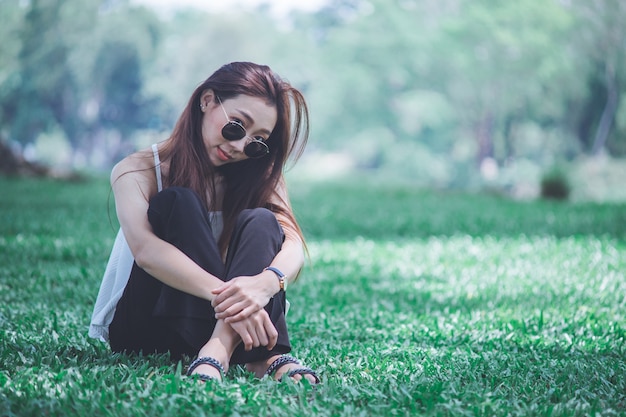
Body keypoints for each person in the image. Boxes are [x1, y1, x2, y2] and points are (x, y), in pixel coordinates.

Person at [89, 61, 319, 384]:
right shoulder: (137, 170)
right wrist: (238, 300)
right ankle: (265, 356)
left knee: (263, 220)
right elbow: (146, 252)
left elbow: (293, 244)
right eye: (237, 126)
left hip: (219, 328)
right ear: (207, 100)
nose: (240, 146)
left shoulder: (261, 176)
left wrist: (265, 284)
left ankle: (218, 350)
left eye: (257, 141)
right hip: (146, 325)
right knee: (178, 202)